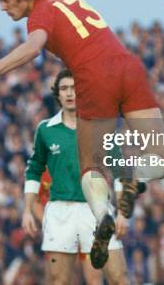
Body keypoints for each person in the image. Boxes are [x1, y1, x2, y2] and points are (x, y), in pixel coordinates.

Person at [0, 0, 164, 269]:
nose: (2, 7)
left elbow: (34, 46)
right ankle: (135, 177)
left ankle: (102, 217)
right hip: (128, 67)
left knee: (89, 167)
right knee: (161, 154)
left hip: (95, 76)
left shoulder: (40, 13)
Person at [22, 70, 129, 284]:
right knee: (59, 281)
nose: (70, 93)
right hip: (60, 212)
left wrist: (123, 212)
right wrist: (27, 209)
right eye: (64, 89)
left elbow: (120, 169)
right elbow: (34, 169)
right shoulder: (45, 129)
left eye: (74, 88)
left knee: (118, 278)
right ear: (58, 95)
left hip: (97, 212)